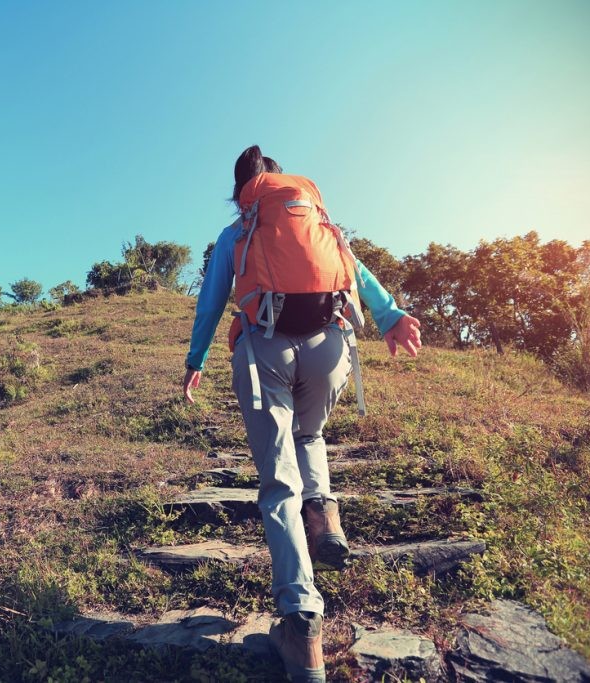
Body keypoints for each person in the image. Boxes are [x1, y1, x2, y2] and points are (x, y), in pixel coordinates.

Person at [181, 146, 421, 682]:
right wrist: (391, 317)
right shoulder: (318, 220)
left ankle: (301, 621)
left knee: (277, 482)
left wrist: (195, 361)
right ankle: (326, 517)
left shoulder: (237, 233)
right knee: (308, 436)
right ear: (281, 180)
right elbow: (356, 271)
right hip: (329, 345)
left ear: (242, 190)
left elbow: (212, 301)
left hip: (264, 344)